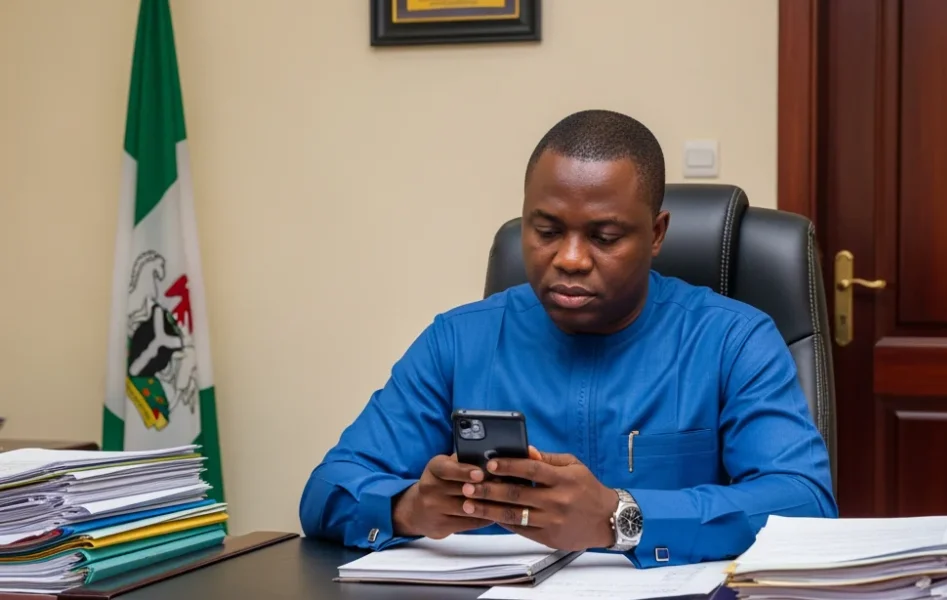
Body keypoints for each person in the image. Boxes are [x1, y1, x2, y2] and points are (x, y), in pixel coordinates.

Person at [299, 109, 837, 569]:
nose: (571, 259)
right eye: (547, 231)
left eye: (604, 237)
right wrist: (406, 506)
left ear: (655, 235)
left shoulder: (733, 340)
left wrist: (620, 516)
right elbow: (327, 489)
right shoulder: (458, 341)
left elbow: (805, 503)